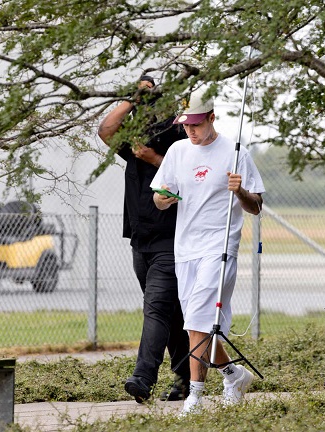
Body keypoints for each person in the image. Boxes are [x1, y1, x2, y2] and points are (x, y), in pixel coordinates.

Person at [151, 86, 265, 415]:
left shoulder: (235, 152)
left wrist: (240, 189)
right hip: (186, 247)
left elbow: (256, 206)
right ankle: (233, 375)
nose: (190, 131)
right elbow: (158, 197)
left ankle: (196, 396)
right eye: (186, 125)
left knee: (200, 316)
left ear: (212, 118)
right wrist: (164, 198)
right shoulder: (177, 151)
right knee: (197, 324)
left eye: (196, 125)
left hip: (220, 245)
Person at [97, 75, 190, 403]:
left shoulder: (180, 138)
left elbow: (194, 177)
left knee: (155, 309)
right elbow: (106, 130)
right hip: (141, 241)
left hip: (172, 240)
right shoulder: (134, 138)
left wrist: (154, 160)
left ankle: (143, 378)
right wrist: (133, 98)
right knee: (170, 314)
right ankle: (186, 377)